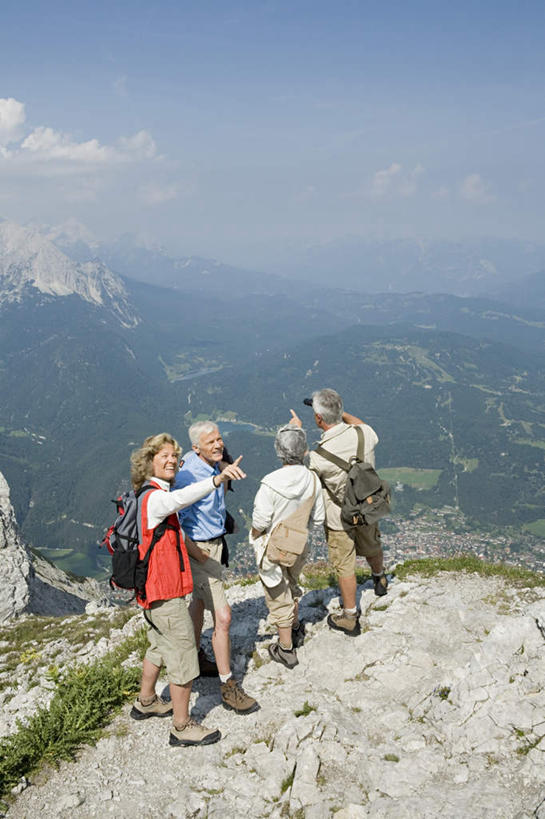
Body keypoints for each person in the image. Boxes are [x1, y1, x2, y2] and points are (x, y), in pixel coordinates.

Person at [129, 432, 245, 747]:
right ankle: (181, 727)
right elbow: (181, 499)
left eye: (172, 456)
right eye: (162, 456)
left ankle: (146, 700)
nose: (170, 460)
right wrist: (217, 479)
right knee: (183, 655)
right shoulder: (156, 498)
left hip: (153, 590)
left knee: (157, 645)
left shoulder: (148, 493)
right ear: (148, 463)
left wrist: (199, 556)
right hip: (163, 592)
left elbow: (174, 535)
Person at [174, 421, 259, 714]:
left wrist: (223, 469)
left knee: (199, 601)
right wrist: (197, 555)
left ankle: (195, 655)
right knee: (223, 617)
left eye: (220, 439)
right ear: (196, 447)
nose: (218, 444)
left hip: (213, 545)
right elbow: (175, 521)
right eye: (211, 442)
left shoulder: (207, 462)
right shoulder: (187, 476)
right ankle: (228, 686)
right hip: (201, 550)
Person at [291, 388, 388, 637]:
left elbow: (302, 468)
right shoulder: (364, 433)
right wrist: (340, 413)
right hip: (367, 506)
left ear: (318, 419)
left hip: (339, 517)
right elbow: (357, 423)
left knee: (344, 563)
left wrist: (296, 432)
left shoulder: (319, 456)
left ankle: (350, 616)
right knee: (372, 542)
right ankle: (380, 578)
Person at [250, 424, 324, 669]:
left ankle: (286, 648)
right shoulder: (313, 479)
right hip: (299, 543)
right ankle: (294, 626)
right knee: (292, 582)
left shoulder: (270, 483)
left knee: (276, 592)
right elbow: (319, 518)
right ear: (304, 451)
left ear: (278, 451)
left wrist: (255, 535)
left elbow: (260, 521)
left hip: (273, 545)